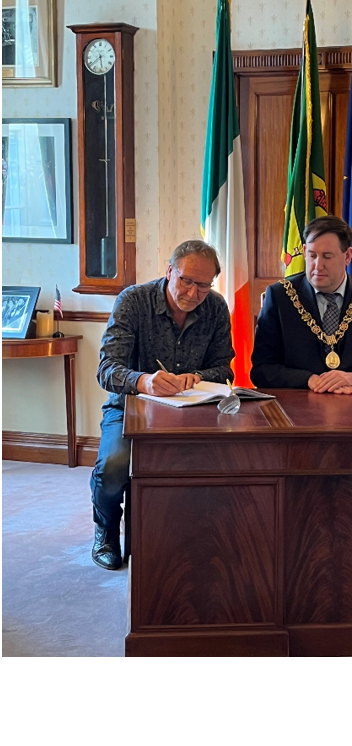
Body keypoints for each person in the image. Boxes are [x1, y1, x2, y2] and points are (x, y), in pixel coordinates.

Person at [90, 239, 234, 570]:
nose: (194, 293)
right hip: (131, 407)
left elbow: (225, 368)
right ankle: (107, 530)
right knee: (113, 467)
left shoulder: (215, 308)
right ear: (170, 272)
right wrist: (144, 381)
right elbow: (106, 368)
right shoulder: (133, 301)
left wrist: (194, 377)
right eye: (186, 280)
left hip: (193, 410)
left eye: (204, 285)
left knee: (215, 467)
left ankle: (175, 535)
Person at [250, 215, 352, 394]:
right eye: (312, 255)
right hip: (298, 408)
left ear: (347, 256)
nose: (318, 266)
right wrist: (309, 380)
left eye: (327, 256)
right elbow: (261, 371)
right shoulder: (280, 296)